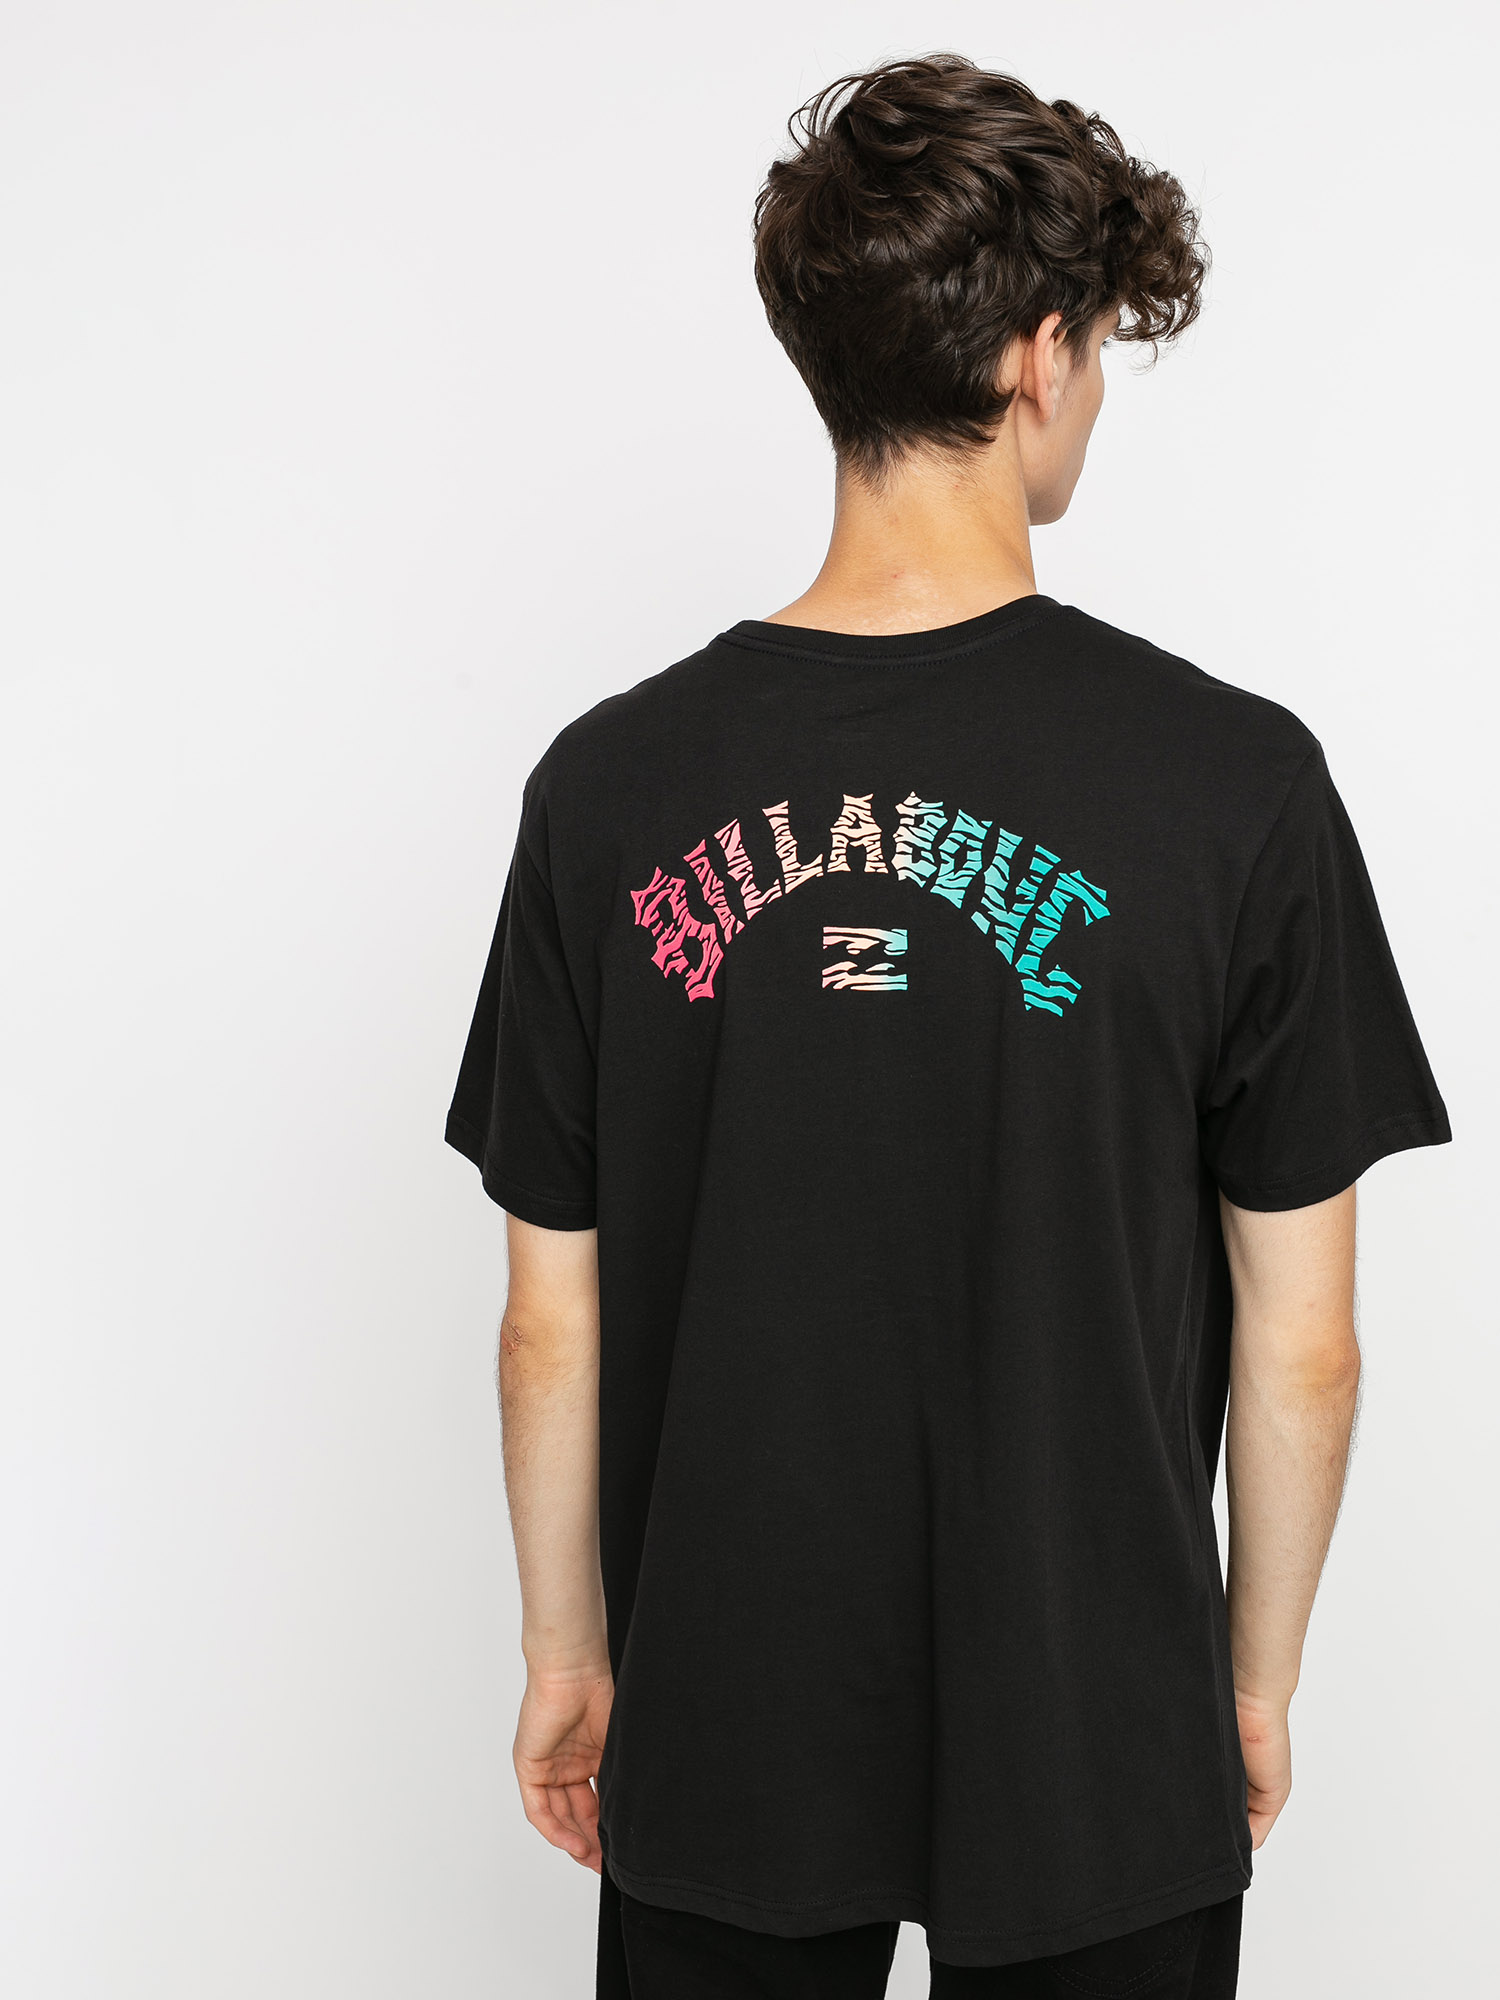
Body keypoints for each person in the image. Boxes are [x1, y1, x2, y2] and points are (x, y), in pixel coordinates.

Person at [443, 54, 1451, 1999]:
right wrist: (1247, 1683)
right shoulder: (1235, 786)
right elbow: (1305, 1341)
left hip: (723, 1710)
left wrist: (569, 1657)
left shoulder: (607, 789)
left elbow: (547, 1319)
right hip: (1102, 1727)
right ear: (1037, 357)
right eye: (1099, 348)